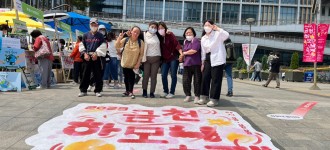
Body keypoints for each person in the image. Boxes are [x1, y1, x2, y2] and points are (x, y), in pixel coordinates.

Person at [198, 20, 229, 107]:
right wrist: (202, 62)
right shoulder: (203, 38)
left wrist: (218, 28)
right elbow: (203, 51)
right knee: (205, 78)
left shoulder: (217, 34)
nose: (207, 27)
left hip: (218, 58)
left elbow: (226, 35)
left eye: (209, 25)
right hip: (208, 58)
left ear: (212, 26)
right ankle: (204, 97)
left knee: (216, 79)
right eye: (205, 25)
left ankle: (214, 99)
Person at [78, 18, 107, 97]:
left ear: (97, 25)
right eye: (92, 25)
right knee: (85, 74)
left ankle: (98, 90)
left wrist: (97, 53)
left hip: (97, 57)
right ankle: (83, 90)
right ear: (90, 25)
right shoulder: (85, 35)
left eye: (95, 25)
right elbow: (81, 46)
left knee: (98, 74)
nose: (93, 26)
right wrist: (84, 54)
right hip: (87, 56)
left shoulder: (100, 36)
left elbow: (104, 46)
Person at [115, 26, 144, 99]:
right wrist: (120, 37)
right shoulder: (125, 39)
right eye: (134, 31)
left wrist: (138, 63)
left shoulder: (140, 42)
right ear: (131, 31)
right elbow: (117, 46)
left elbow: (141, 54)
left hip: (133, 64)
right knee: (126, 77)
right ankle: (127, 91)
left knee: (131, 78)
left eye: (137, 33)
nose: (136, 34)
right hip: (125, 62)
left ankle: (131, 91)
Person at [158, 22, 183, 99]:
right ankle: (165, 91)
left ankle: (172, 92)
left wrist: (181, 54)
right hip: (165, 59)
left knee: (173, 75)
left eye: (162, 28)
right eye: (159, 28)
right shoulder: (159, 37)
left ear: (165, 28)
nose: (160, 30)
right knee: (163, 75)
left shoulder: (170, 34)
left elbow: (176, 44)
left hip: (173, 58)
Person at [181, 27, 202, 103]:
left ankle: (197, 96)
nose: (188, 34)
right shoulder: (185, 41)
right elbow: (183, 51)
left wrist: (184, 53)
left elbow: (194, 50)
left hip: (196, 63)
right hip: (187, 64)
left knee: (197, 81)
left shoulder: (195, 40)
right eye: (186, 33)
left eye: (190, 32)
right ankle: (188, 95)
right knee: (186, 80)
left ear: (193, 33)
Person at [142, 21, 162, 98]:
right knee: (146, 76)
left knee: (154, 76)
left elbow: (165, 35)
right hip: (147, 58)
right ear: (149, 27)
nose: (153, 29)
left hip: (156, 58)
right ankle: (144, 91)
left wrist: (168, 32)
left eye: (155, 27)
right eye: (152, 27)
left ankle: (152, 92)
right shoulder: (143, 34)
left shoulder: (158, 35)